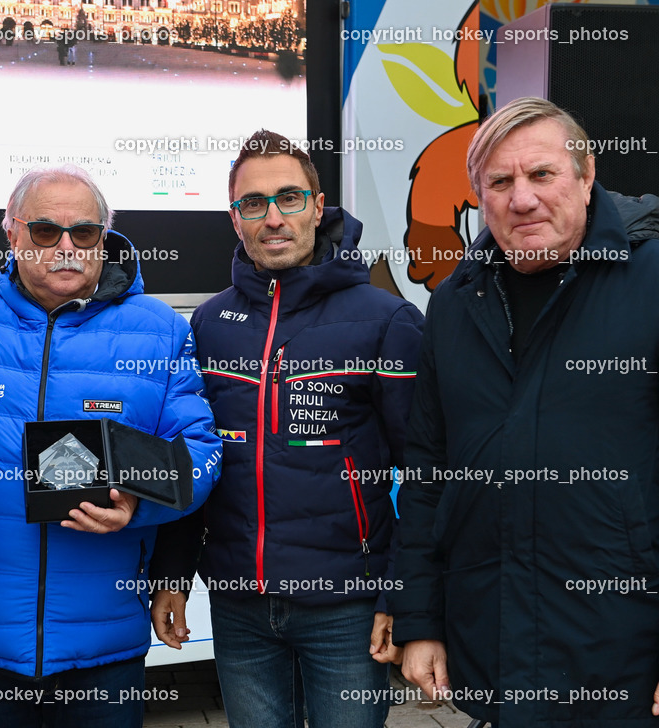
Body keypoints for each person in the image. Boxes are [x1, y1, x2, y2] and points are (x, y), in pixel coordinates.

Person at [0, 164, 222, 727]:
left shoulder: (160, 330)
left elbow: (199, 455)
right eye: (44, 231)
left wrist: (138, 502)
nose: (66, 247)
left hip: (103, 652)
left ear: (103, 240)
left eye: (84, 233)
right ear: (10, 232)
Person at [392, 96, 659, 726]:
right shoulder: (456, 303)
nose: (523, 199)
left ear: (587, 175)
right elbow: (429, 473)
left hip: (621, 653)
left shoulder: (650, 280)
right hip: (497, 647)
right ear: (479, 196)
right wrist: (421, 620)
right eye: (500, 182)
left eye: (542, 174)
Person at [150, 129, 425, 727]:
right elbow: (195, 459)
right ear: (235, 218)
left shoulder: (387, 319)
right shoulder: (210, 322)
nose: (272, 217)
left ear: (318, 207)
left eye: (289, 198)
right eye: (254, 203)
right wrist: (171, 574)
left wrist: (406, 595)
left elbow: (429, 474)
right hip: (239, 604)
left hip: (348, 609)